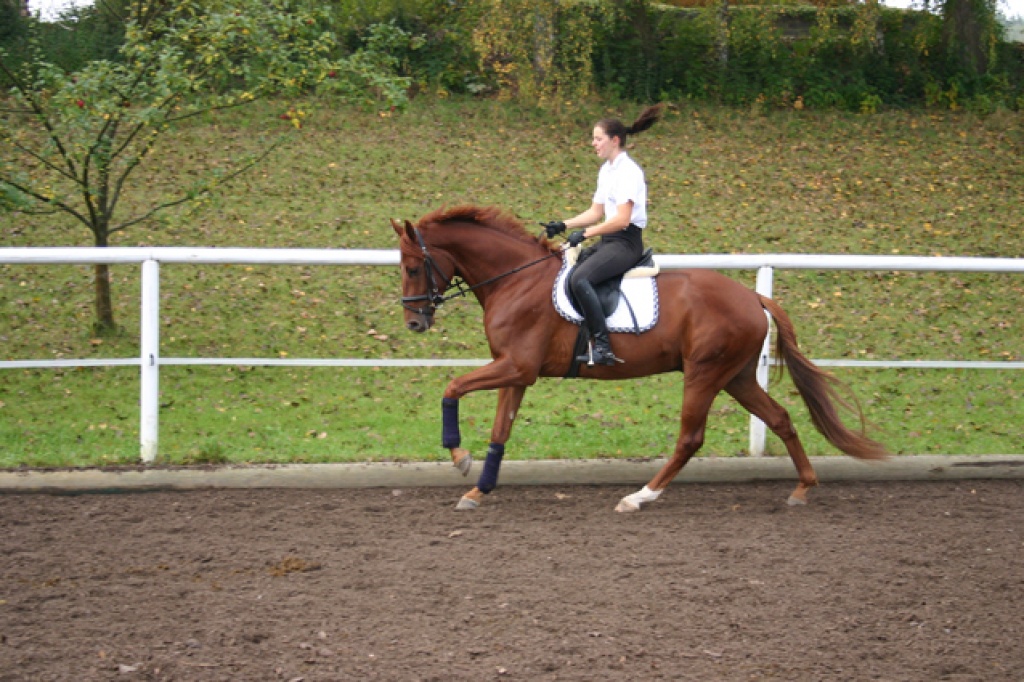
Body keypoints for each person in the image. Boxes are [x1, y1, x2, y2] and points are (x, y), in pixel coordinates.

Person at [542, 103, 664, 366]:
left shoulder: (629, 172)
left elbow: (621, 219)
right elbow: (596, 212)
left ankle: (604, 347)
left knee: (580, 279)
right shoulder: (607, 171)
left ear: (614, 140)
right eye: (594, 139)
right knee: (565, 270)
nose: (593, 144)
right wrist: (563, 224)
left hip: (626, 243)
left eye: (598, 139)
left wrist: (584, 234)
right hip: (609, 240)